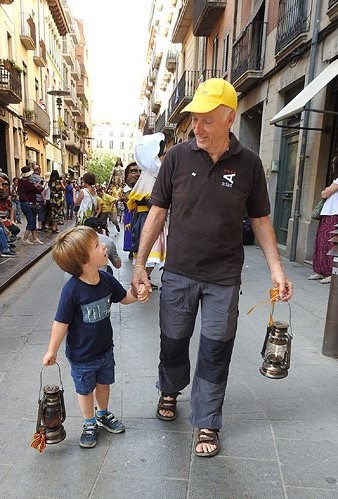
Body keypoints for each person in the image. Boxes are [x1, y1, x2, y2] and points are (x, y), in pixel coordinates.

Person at [131, 78, 293, 458]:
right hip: (179, 272)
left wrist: (277, 270)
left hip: (223, 278)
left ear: (229, 119)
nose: (196, 128)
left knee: (216, 349)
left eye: (205, 120)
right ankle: (169, 388)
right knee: (173, 340)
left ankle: (207, 419)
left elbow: (261, 221)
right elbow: (157, 213)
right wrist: (140, 264)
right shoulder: (176, 158)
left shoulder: (250, 164)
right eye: (193, 120)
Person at [42, 226, 149, 448]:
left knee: (104, 385)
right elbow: (61, 323)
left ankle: (103, 414)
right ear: (84, 260)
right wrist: (52, 350)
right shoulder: (71, 290)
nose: (104, 247)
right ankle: (89, 422)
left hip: (104, 350)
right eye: (97, 245)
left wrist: (137, 294)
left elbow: (124, 298)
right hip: (81, 356)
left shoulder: (106, 279)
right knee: (85, 390)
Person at [128, 133, 167, 289]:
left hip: (146, 218)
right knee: (154, 251)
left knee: (158, 252)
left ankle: (146, 277)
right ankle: (144, 278)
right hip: (149, 220)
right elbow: (152, 202)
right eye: (163, 154)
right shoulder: (150, 177)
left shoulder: (148, 175)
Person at [308, 156, 338, 284]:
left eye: (333, 163)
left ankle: (332, 273)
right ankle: (320, 270)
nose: (331, 166)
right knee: (322, 242)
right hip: (328, 213)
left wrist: (326, 190)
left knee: (331, 244)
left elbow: (324, 194)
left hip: (334, 214)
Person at [18, 166, 44, 244]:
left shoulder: (21, 181)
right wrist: (42, 186)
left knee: (32, 219)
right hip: (28, 203)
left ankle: (35, 238)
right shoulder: (27, 183)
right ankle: (25, 238)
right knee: (31, 221)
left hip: (24, 203)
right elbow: (37, 190)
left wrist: (35, 185)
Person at [122, 162, 141, 259]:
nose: (137, 174)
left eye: (140, 171)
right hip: (130, 215)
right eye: (133, 171)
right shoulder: (126, 191)